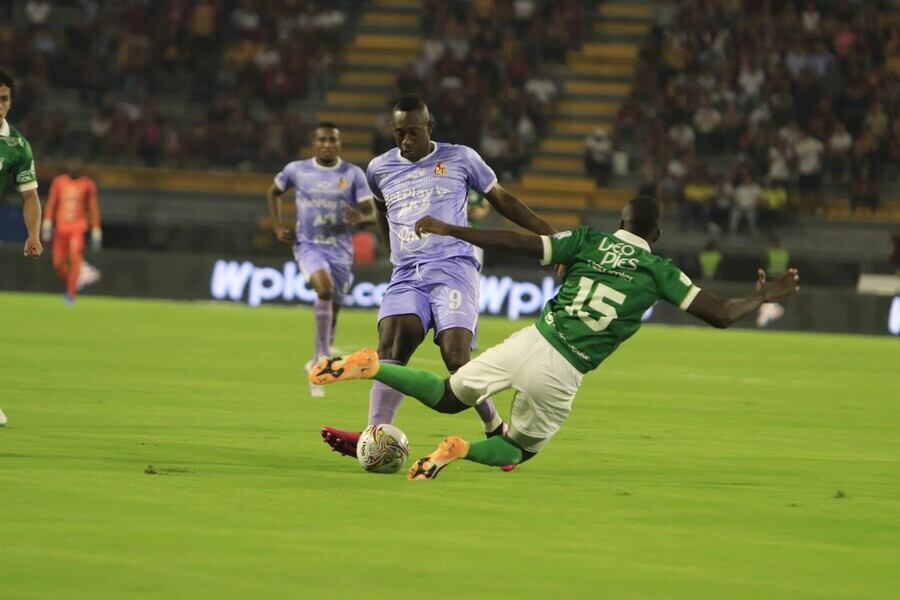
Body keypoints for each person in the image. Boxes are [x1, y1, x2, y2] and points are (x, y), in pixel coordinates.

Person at [310, 196, 801, 480]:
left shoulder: (590, 239)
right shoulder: (659, 270)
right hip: (564, 370)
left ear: (621, 225)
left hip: (532, 339)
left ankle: (374, 367)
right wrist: (760, 297)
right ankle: (459, 452)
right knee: (516, 451)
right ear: (656, 233)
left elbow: (522, 244)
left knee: (444, 395)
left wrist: (454, 229)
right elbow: (718, 314)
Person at [319, 95, 557, 467]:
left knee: (456, 356)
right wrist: (393, 252)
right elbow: (382, 210)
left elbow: (503, 200)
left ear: (429, 127)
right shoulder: (378, 168)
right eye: (399, 133)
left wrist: (551, 239)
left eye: (413, 131)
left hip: (453, 269)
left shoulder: (461, 157)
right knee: (391, 347)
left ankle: (495, 429)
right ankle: (374, 436)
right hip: (407, 275)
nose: (405, 140)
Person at [267, 122, 375, 397]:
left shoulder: (352, 174)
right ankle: (320, 363)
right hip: (308, 245)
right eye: (322, 140)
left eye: (332, 140)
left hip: (340, 251)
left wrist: (360, 217)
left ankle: (321, 352)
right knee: (324, 289)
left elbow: (372, 213)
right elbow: (274, 192)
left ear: (339, 144)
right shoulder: (297, 170)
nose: (327, 144)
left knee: (334, 308)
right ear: (314, 143)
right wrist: (278, 227)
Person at [42, 161, 103, 304]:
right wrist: (47, 222)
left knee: (75, 256)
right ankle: (81, 275)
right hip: (61, 228)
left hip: (77, 227)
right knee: (58, 263)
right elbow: (52, 202)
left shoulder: (87, 184)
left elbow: (93, 207)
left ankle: (70, 294)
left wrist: (96, 228)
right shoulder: (59, 182)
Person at [0, 68, 42, 259]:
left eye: (4, 99)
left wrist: (33, 235)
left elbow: (30, 196)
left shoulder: (17, 145)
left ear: (10, 103)